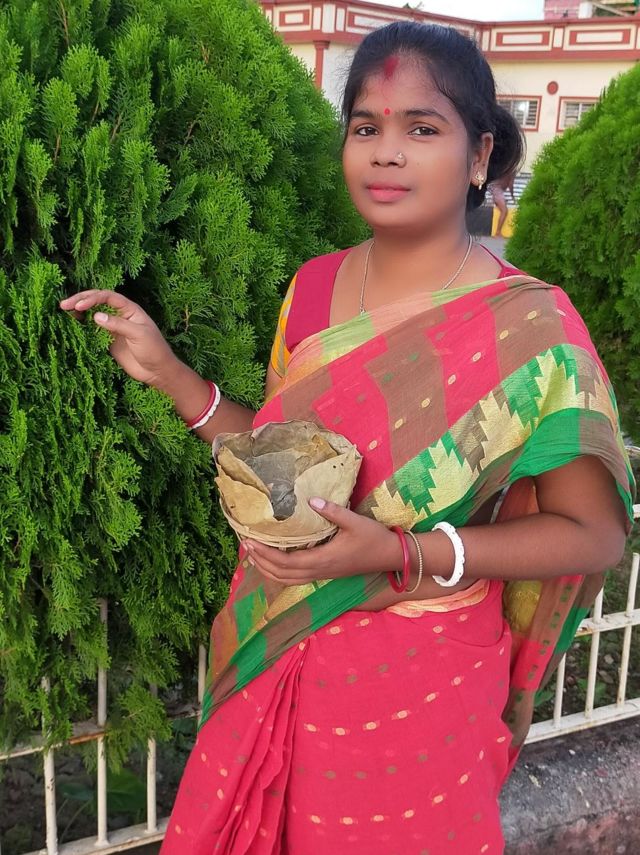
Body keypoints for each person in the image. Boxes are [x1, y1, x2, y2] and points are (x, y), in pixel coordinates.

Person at [59, 21, 635, 855]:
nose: (386, 152)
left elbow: (596, 532)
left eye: (422, 128)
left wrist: (401, 554)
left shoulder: (530, 328)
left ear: (479, 155)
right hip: (280, 641)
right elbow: (283, 466)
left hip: (422, 681)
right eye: (366, 126)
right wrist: (173, 375)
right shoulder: (314, 288)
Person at [489, 169, 517, 238]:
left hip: (496, 190)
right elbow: (510, 185)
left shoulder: (506, 168)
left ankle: (498, 232)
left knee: (504, 211)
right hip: (497, 190)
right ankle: (497, 232)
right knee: (504, 211)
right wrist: (512, 196)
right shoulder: (512, 170)